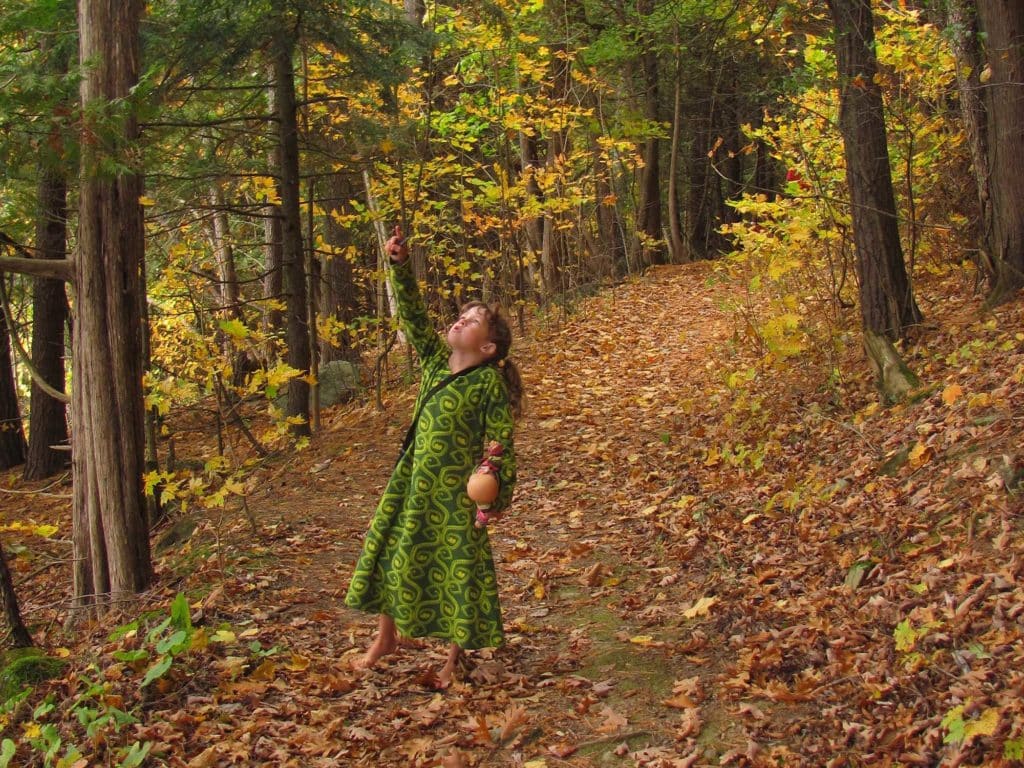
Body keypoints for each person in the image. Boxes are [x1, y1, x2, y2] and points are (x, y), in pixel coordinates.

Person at [344, 227, 521, 688]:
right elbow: (415, 315)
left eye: (473, 320)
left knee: (456, 569)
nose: (461, 321)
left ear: (487, 348)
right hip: (410, 483)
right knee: (391, 554)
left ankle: (453, 657)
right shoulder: (431, 362)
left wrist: (491, 487)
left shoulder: (487, 384)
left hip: (453, 498)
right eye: (461, 315)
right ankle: (386, 637)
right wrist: (399, 266)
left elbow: (501, 442)